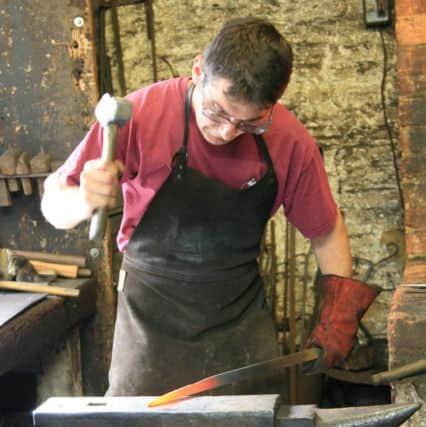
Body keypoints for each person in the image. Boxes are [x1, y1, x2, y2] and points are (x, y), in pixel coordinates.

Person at [41, 17, 377, 397]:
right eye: (217, 111)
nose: (227, 132)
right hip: (150, 322)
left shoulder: (290, 141)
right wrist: (83, 198)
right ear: (198, 69)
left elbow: (326, 231)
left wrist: (337, 313)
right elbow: (54, 206)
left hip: (238, 324)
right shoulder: (140, 114)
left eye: (250, 123)